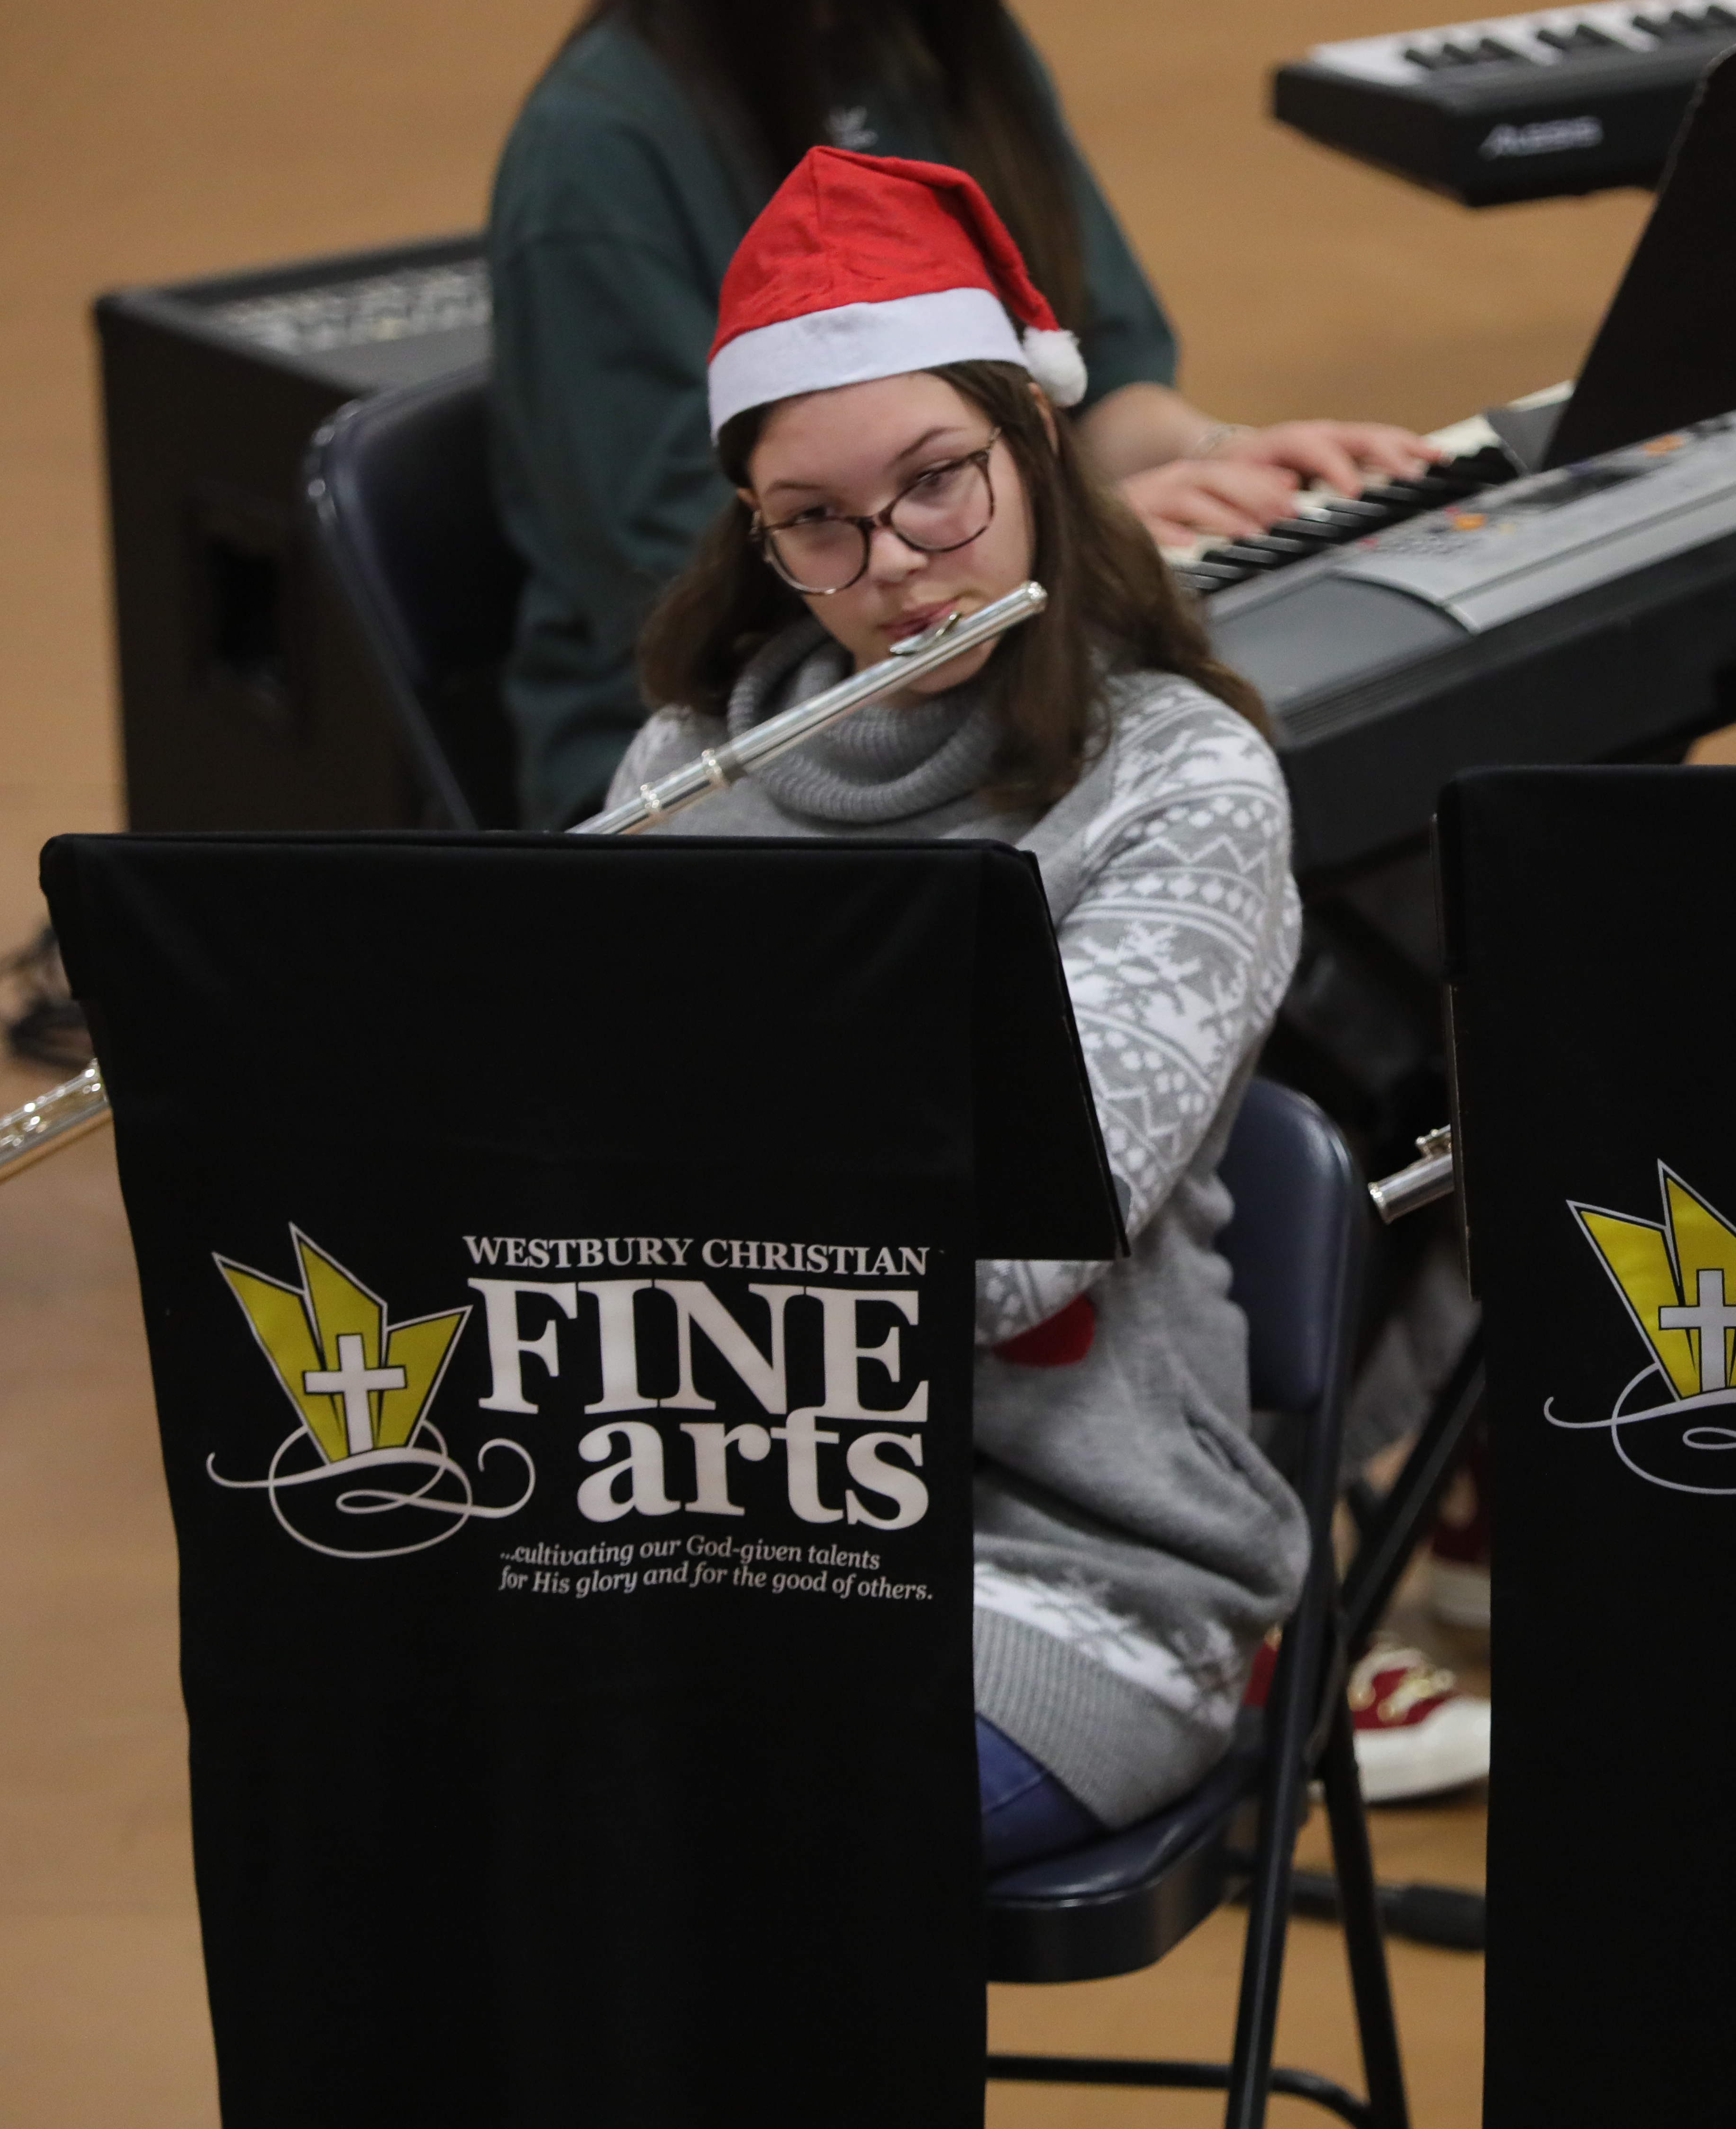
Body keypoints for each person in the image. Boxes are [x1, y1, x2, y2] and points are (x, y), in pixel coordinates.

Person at [616, 144, 1316, 1868]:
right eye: (819, 524)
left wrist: (683, 1186)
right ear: (760, 529)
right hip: (721, 1530)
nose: (897, 566)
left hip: (1080, 1582)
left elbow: (1009, 1242)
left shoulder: (1178, 785)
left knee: (709, 1842)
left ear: (1039, 448)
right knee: (422, 1763)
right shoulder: (688, 774)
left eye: (941, 484)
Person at [489, 0, 1439, 828]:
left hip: (992, 650)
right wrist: (1047, 524)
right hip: (750, 728)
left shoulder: (939, 42)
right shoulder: (596, 145)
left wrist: (1225, 456)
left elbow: (1091, 382)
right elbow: (724, 562)